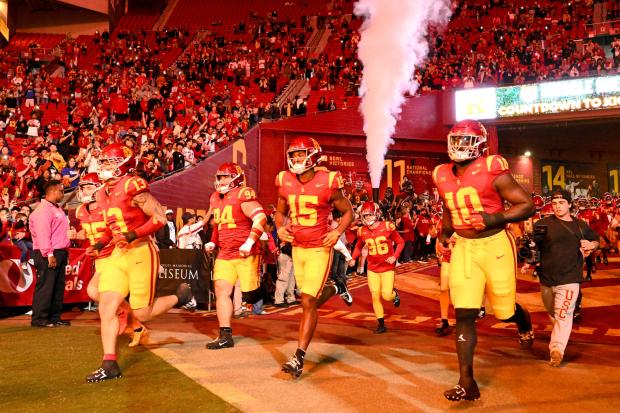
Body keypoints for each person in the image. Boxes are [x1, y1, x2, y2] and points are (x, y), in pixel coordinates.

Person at [433, 119, 536, 402]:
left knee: (502, 311)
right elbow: (448, 206)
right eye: (456, 139)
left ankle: (522, 320)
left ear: (480, 144)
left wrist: (493, 218)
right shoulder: (441, 173)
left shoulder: (492, 168)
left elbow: (527, 204)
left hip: (495, 246)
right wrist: (443, 237)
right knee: (464, 313)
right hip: (465, 246)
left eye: (466, 140)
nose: (459, 146)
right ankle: (467, 381)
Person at [85, 144, 194, 383]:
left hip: (141, 251)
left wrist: (132, 235)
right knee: (106, 306)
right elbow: (111, 229)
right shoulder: (103, 193)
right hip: (118, 253)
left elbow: (159, 218)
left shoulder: (132, 186)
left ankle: (180, 296)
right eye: (102, 162)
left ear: (122, 164)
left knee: (142, 314)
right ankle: (109, 363)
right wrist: (100, 245)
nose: (103, 167)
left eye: (108, 163)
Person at [275, 136, 354, 378]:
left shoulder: (328, 180)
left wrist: (337, 232)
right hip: (298, 246)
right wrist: (280, 228)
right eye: (294, 155)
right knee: (306, 300)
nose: (297, 159)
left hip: (320, 246)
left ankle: (298, 357)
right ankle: (337, 287)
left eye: (301, 154)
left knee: (308, 301)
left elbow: (348, 211)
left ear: (313, 156)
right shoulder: (284, 179)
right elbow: (280, 212)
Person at [531, 190, 599, 367]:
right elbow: (534, 247)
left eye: (561, 203)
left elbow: (595, 239)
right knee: (554, 313)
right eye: (554, 203)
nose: (557, 206)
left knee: (564, 314)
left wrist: (591, 244)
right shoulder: (542, 224)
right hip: (546, 278)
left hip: (570, 277)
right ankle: (560, 335)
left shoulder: (580, 225)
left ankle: (557, 349)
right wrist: (529, 260)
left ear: (569, 204)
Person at [204, 162, 267, 350]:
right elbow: (218, 223)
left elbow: (260, 217)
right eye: (220, 177)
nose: (221, 180)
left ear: (236, 178)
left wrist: (249, 241)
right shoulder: (215, 198)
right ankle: (225, 334)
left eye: (225, 176)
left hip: (245, 252)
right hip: (225, 253)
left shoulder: (243, 194)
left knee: (251, 296)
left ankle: (259, 291)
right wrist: (213, 241)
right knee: (221, 290)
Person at [350, 202, 404, 333]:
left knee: (386, 295)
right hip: (372, 268)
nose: (367, 218)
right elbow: (358, 246)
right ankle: (381, 324)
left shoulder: (387, 226)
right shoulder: (362, 230)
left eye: (370, 215)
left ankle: (394, 294)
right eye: (365, 215)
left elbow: (400, 242)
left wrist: (395, 256)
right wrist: (353, 258)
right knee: (375, 296)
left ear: (376, 214)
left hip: (387, 267)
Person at [29, 180, 71, 328]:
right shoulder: (43, 210)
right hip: (47, 252)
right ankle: (40, 319)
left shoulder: (56, 208)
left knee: (58, 287)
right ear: (53, 192)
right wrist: (49, 254)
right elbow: (43, 234)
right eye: (61, 191)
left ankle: (54, 317)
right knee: (46, 286)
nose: (63, 193)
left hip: (59, 251)